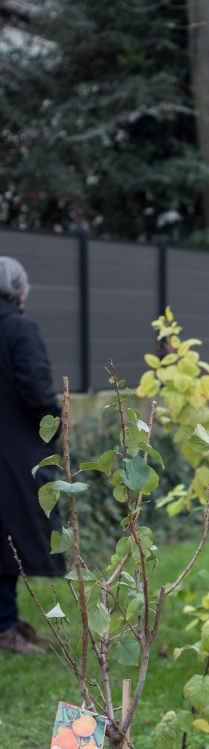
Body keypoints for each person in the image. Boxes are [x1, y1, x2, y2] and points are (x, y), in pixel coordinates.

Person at [0, 256, 64, 655]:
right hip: (14, 450)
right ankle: (4, 627)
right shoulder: (18, 328)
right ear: (20, 292)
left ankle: (6, 621)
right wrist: (54, 424)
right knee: (10, 538)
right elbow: (37, 393)